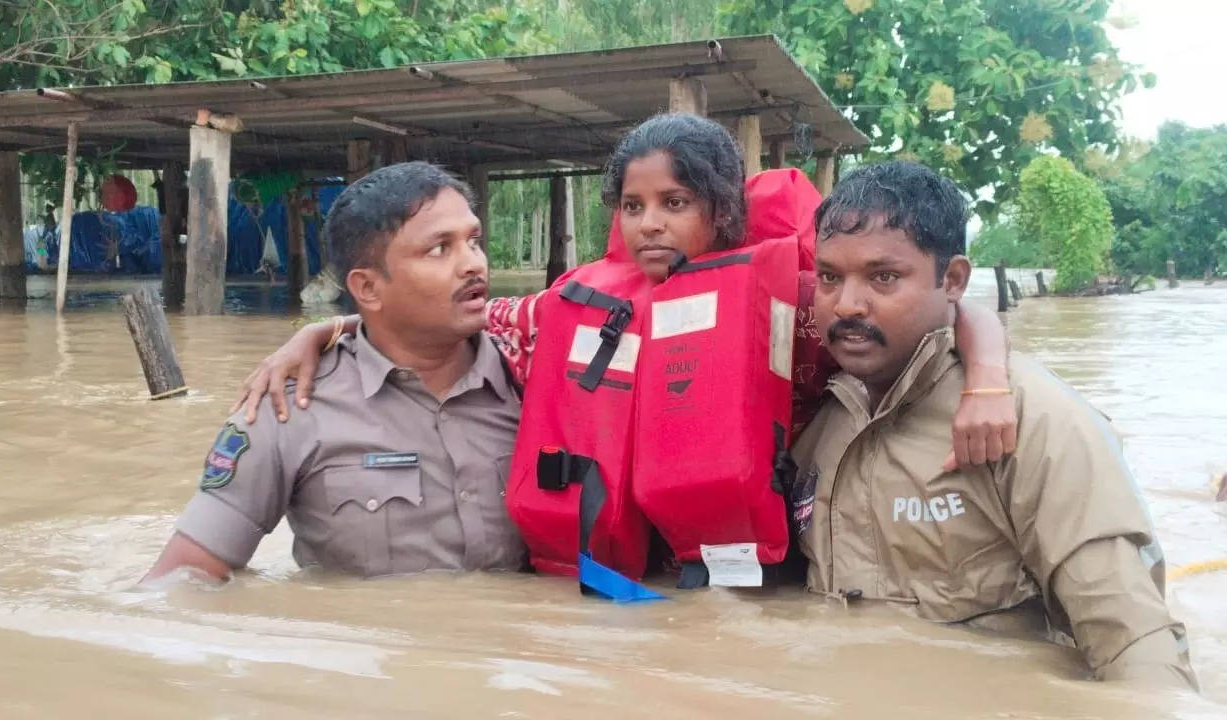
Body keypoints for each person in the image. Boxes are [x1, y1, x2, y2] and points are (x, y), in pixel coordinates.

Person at [233, 114, 1016, 583]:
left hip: (761, 564)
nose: (651, 223)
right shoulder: (562, 312)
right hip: (633, 573)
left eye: (676, 204)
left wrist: (986, 377)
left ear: (723, 211)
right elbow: (449, 318)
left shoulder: (801, 304)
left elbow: (950, 313)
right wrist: (322, 329)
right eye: (634, 205)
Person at [790, 161, 1197, 688]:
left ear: (954, 280)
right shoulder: (818, 421)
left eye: (883, 277)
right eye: (829, 277)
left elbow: (1134, 645)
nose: (846, 304)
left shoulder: (1036, 421)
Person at [143, 162, 525, 582]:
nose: (473, 264)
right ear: (367, 288)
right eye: (439, 249)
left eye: (474, 241)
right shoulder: (287, 406)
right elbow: (180, 583)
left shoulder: (535, 376)